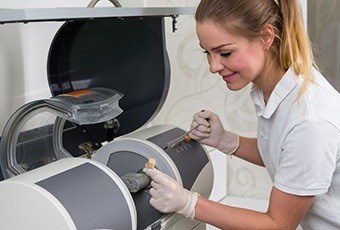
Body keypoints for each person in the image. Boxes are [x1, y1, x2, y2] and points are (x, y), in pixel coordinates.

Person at [143, 0, 340, 229]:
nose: (213, 66)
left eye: (224, 52)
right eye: (207, 52)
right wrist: (224, 140)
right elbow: (284, 153)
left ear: (267, 36)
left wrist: (189, 203)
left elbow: (277, 225)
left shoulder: (309, 119)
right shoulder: (276, 86)